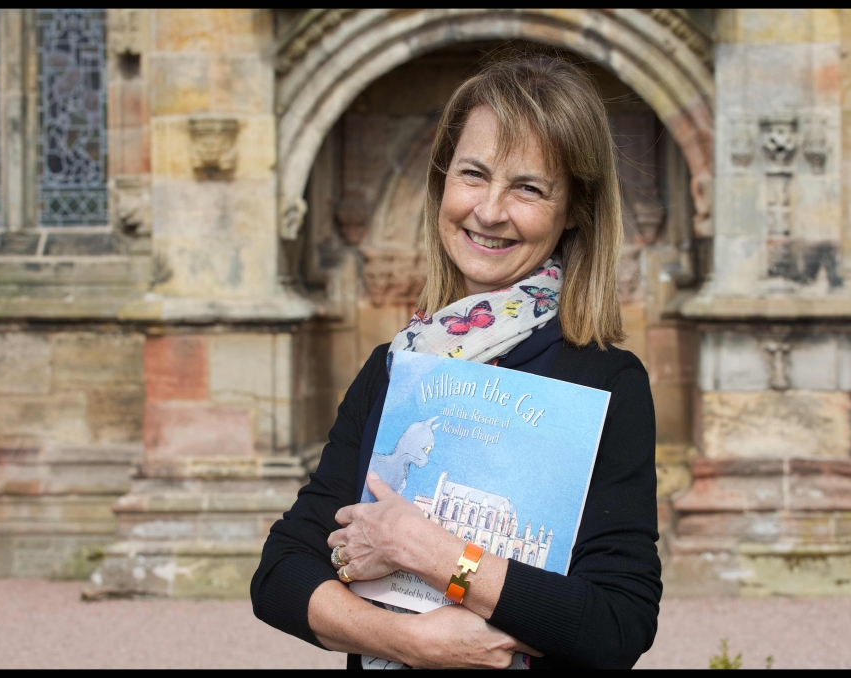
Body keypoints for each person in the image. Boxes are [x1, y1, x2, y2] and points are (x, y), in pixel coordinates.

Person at [251, 53, 662, 670]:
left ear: (575, 208)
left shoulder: (605, 382)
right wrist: (411, 642)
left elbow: (617, 625)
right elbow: (281, 574)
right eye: (473, 174)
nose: (490, 210)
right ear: (444, 181)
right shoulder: (395, 368)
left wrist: (437, 556)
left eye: (528, 187)